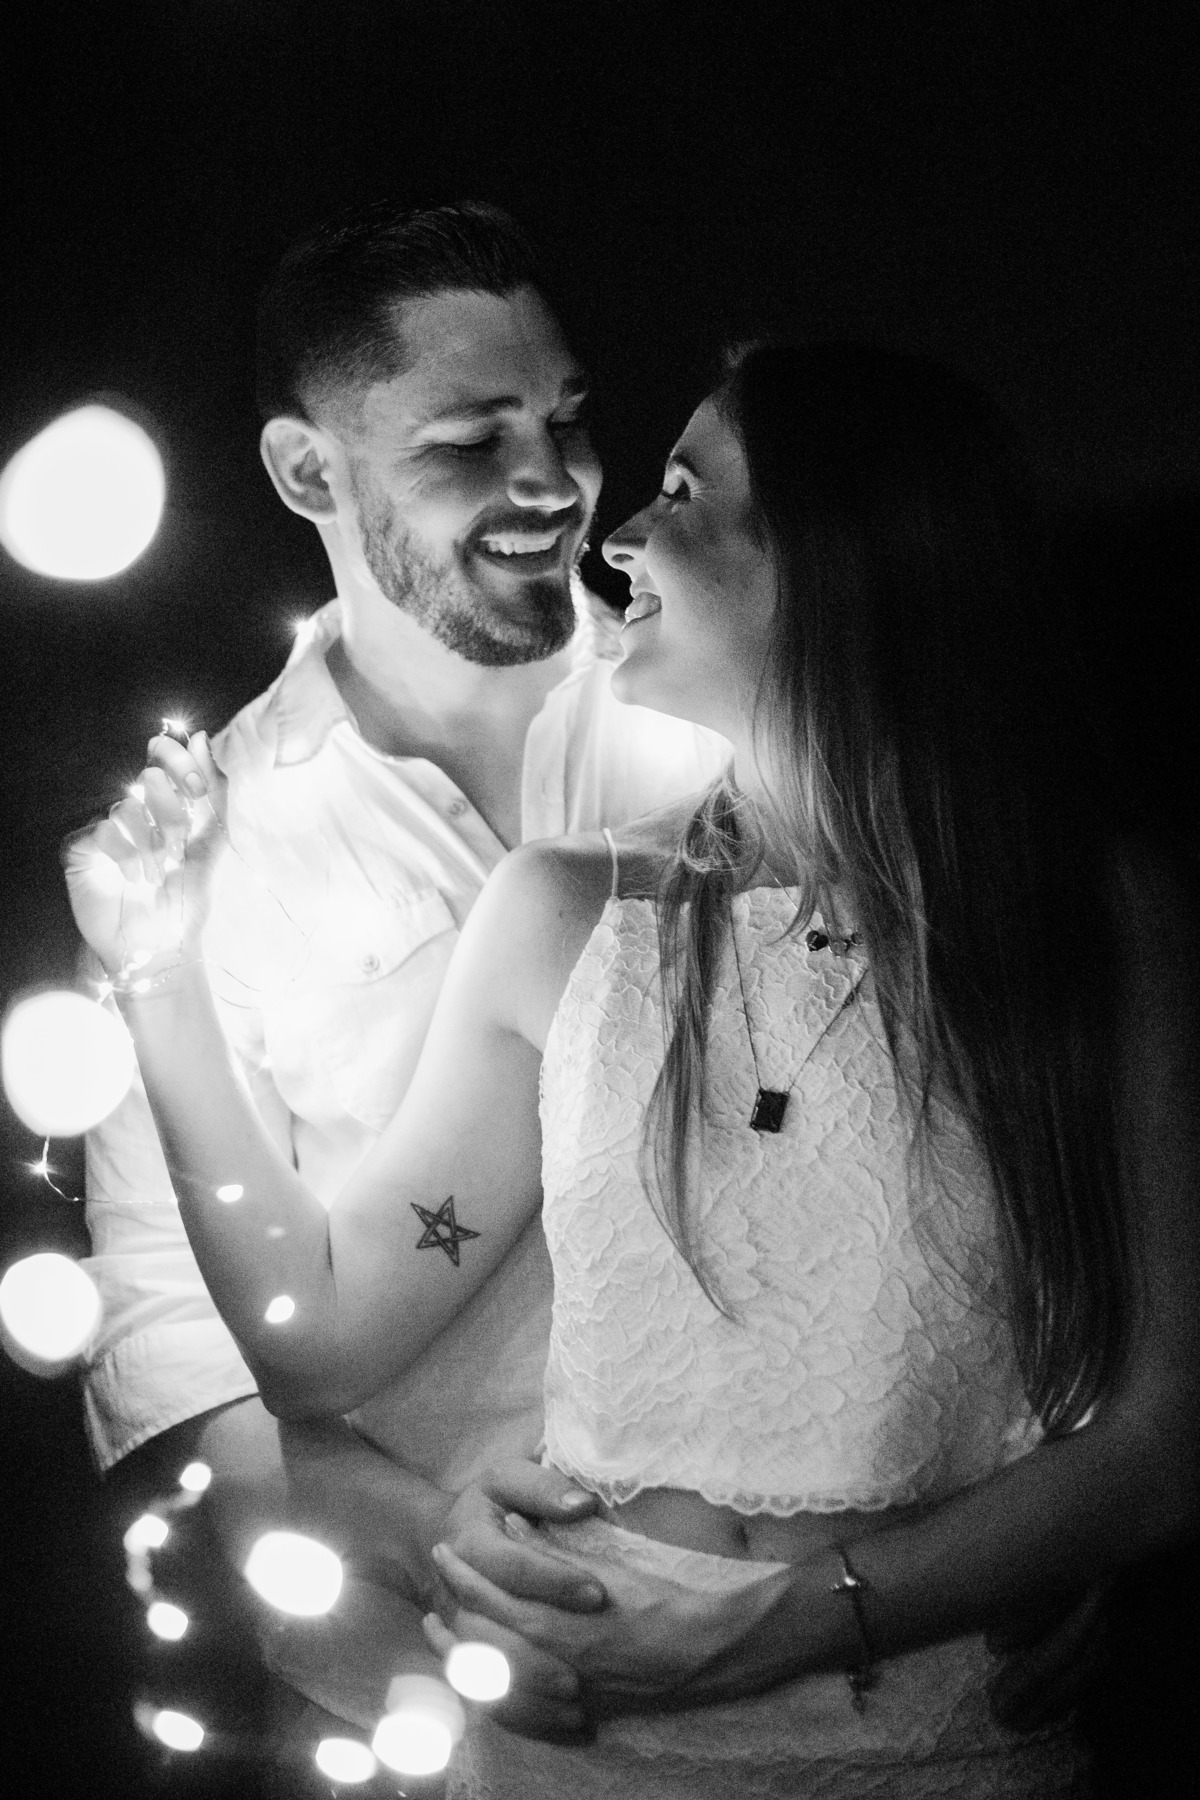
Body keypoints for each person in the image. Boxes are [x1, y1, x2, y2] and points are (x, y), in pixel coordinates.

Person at [65, 340, 1200, 1795]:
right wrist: (155, 978)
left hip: (940, 1738)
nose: (617, 533)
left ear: (837, 553)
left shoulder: (1092, 920)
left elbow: (1162, 1440)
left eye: (683, 491)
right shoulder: (562, 912)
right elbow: (321, 1334)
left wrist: (794, 1625)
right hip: (585, 1743)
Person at [79, 198, 726, 1733]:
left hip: (824, 1642)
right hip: (419, 1699)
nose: (553, 483)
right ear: (310, 471)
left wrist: (1011, 1525)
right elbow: (178, 1350)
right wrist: (443, 1553)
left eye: (565, 420)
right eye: (468, 442)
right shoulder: (201, 852)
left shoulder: (729, 721)